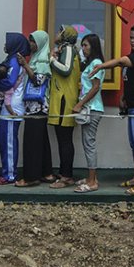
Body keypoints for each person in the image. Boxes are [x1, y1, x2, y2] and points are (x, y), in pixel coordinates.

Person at [90, 24, 134, 195]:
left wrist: (101, 66)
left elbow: (120, 62)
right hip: (133, 106)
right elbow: (131, 80)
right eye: (131, 37)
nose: (132, 41)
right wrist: (124, 98)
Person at [0, 32, 29, 187]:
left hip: (12, 108)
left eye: (7, 42)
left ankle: (10, 175)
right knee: (5, 142)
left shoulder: (14, 61)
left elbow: (8, 82)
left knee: (9, 143)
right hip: (9, 107)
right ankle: (7, 171)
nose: (5, 45)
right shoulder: (12, 60)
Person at [16, 30, 54, 187]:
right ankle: (47, 173)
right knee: (41, 141)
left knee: (32, 142)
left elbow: (38, 80)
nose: (31, 44)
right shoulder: (35, 59)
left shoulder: (43, 61)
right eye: (30, 41)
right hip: (33, 107)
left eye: (34, 41)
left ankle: (31, 177)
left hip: (37, 108)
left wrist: (25, 66)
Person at [48, 26, 81, 189]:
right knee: (63, 139)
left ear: (65, 35)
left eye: (59, 31)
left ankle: (67, 176)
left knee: (65, 139)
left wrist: (52, 60)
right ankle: (63, 172)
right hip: (61, 98)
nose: (56, 34)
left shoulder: (68, 49)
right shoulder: (64, 49)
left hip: (65, 100)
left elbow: (66, 70)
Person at [72, 33, 105, 193]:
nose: (82, 48)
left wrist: (80, 104)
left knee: (89, 144)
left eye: (85, 45)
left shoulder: (97, 63)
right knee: (87, 144)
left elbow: (95, 87)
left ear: (93, 46)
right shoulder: (90, 62)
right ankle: (92, 177)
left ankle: (92, 182)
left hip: (93, 108)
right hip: (89, 108)